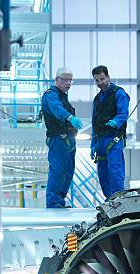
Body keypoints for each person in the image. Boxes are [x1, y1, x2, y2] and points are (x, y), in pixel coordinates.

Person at [42, 67, 84, 208]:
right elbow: (56, 108)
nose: (68, 83)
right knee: (58, 170)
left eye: (70, 80)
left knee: (68, 171)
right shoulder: (51, 95)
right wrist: (70, 117)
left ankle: (59, 200)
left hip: (69, 140)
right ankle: (53, 202)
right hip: (58, 138)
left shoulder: (63, 97)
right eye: (65, 79)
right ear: (57, 79)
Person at [90, 65, 130, 199]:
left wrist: (116, 121)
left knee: (115, 171)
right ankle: (109, 201)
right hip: (100, 140)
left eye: (102, 79)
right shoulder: (97, 99)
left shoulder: (119, 93)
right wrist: (93, 143)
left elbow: (123, 113)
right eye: (97, 80)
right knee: (103, 174)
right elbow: (94, 122)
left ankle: (119, 200)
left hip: (114, 138)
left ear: (108, 77)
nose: (100, 82)